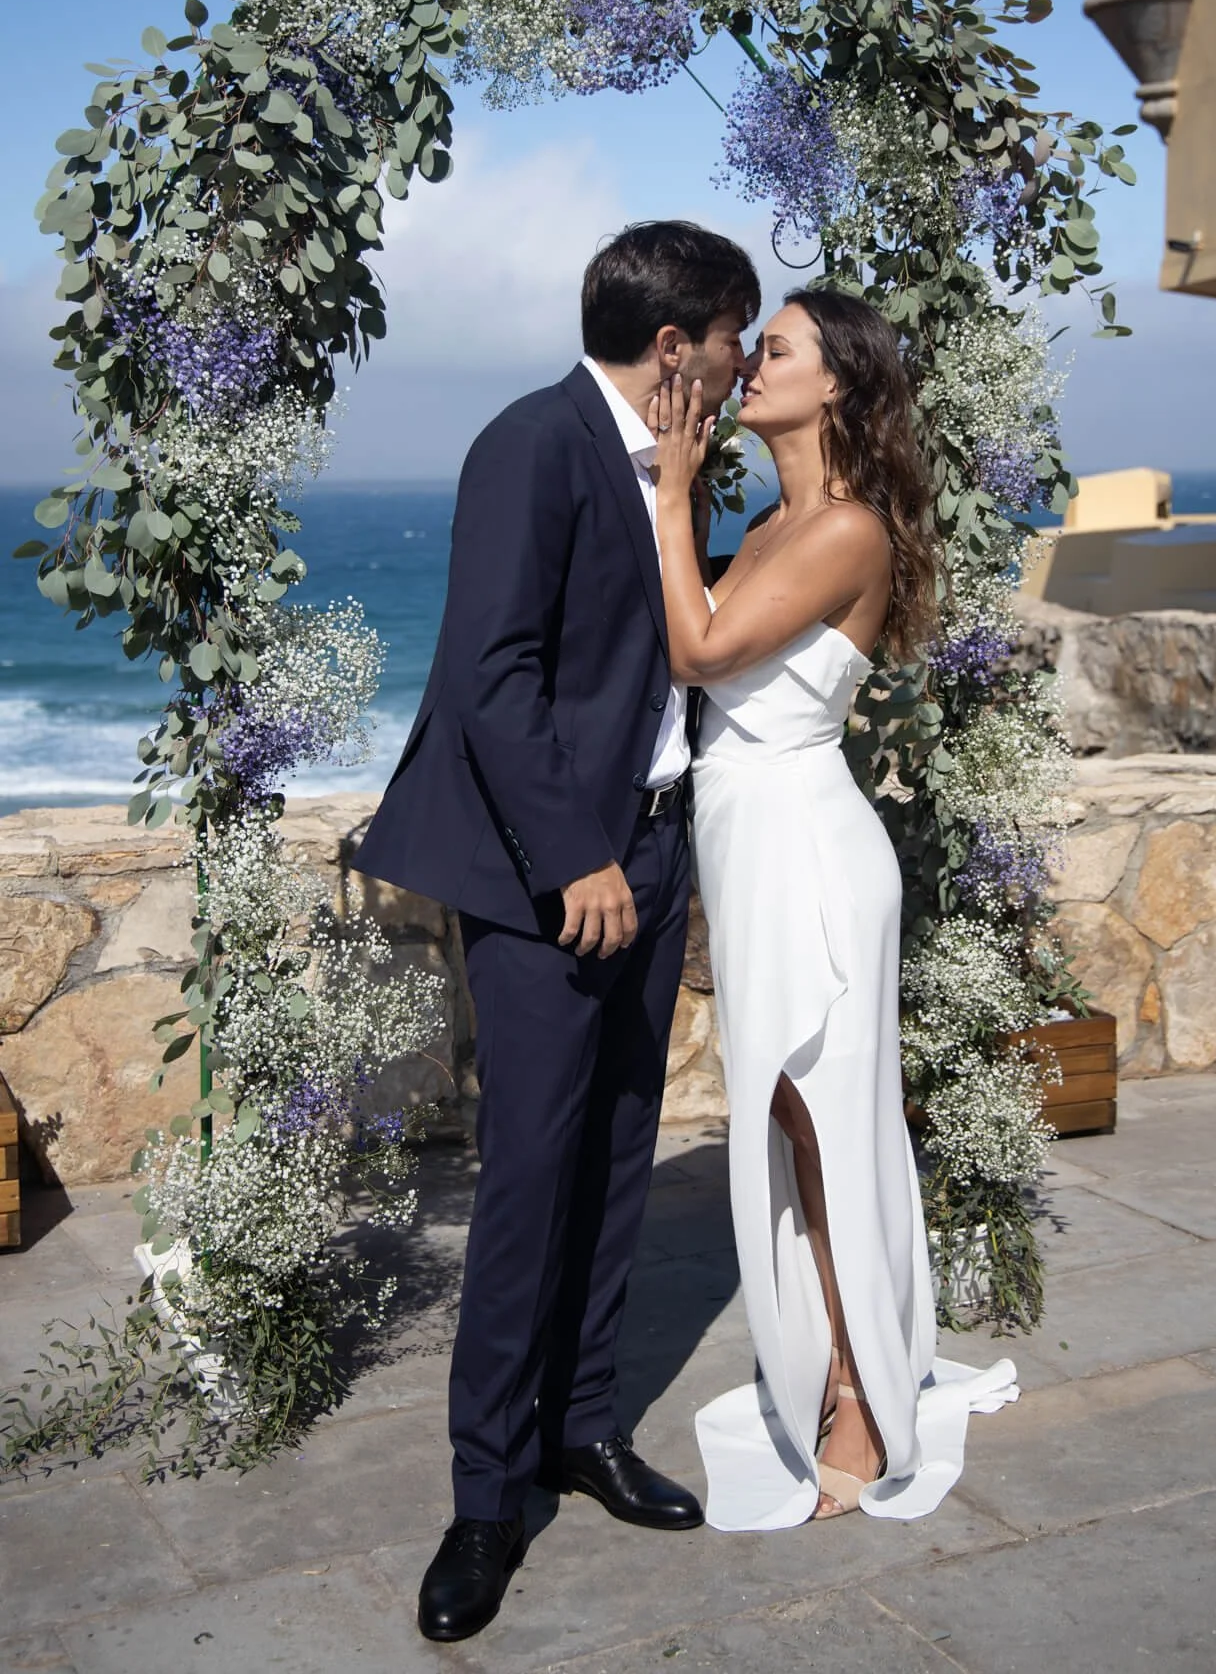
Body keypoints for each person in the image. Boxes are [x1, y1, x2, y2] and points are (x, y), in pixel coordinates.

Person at [354, 221, 759, 1639]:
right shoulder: (530, 443)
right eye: (733, 338)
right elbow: (488, 674)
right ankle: (484, 1498)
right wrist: (576, 854)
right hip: (555, 877)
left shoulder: (673, 464)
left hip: (651, 850)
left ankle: (582, 1430)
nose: (742, 360)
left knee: (619, 1149)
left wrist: (655, 841)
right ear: (674, 347)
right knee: (529, 1178)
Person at [649, 287, 1018, 1530]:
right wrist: (693, 502)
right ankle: (836, 1361)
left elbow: (698, 653)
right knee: (792, 1133)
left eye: (782, 347)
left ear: (842, 387)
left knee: (827, 1130)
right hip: (747, 842)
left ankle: (859, 1390)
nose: (752, 361)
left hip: (807, 850)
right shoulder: (767, 523)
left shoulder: (847, 529)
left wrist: (666, 489)